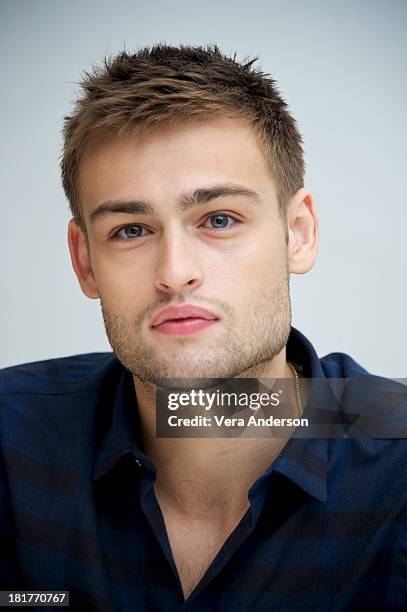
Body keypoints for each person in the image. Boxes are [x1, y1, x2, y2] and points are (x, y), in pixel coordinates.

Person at [0, 44, 406, 611]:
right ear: (84, 260)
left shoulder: (396, 455)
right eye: (131, 230)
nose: (175, 273)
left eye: (219, 219)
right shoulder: (10, 439)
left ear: (299, 233)